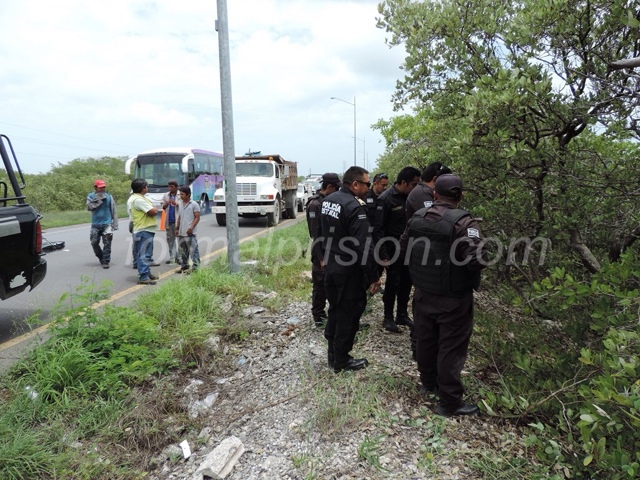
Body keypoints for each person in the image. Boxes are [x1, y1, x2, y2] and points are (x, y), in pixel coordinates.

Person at [400, 174, 486, 417]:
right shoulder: (464, 223)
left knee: (426, 339)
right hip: (453, 298)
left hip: (423, 293)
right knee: (451, 347)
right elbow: (476, 260)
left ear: (435, 193)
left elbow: (403, 249)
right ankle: (449, 402)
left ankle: (428, 382)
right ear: (461, 195)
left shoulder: (418, 217)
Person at [321, 166, 381, 372]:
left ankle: (332, 355)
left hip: (331, 266)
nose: (369, 187)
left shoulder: (329, 200)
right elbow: (364, 246)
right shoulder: (355, 207)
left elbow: (322, 234)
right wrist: (374, 276)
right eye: (367, 183)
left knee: (335, 310)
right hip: (348, 271)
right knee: (348, 314)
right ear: (355, 184)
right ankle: (341, 360)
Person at [373, 166, 421, 333]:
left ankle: (402, 314)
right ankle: (388, 317)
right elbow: (378, 229)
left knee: (406, 283)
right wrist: (383, 255)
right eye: (414, 184)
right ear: (403, 182)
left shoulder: (410, 198)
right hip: (392, 251)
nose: (416, 187)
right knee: (392, 284)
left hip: (408, 250)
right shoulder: (386, 199)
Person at [306, 172, 341, 327]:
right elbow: (315, 235)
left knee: (328, 283)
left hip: (330, 249)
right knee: (320, 285)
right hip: (320, 251)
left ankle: (327, 314)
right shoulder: (315, 205)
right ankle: (318, 315)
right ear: (329, 187)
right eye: (336, 188)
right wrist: (321, 258)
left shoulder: (327, 202)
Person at [127, 178, 159, 285]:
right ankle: (143, 276)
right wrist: (154, 208)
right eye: (146, 186)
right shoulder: (138, 200)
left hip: (144, 229)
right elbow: (153, 211)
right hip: (143, 229)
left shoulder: (138, 198)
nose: (147, 188)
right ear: (142, 188)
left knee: (147, 254)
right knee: (144, 254)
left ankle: (147, 273)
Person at [86, 179, 119, 269]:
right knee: (94, 242)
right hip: (95, 224)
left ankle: (106, 261)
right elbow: (89, 207)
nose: (102, 189)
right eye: (100, 187)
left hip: (107, 223)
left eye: (103, 187)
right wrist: (98, 200)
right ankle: (101, 256)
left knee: (107, 243)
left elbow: (113, 210)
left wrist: (114, 224)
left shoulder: (109, 197)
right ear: (95, 188)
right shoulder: (91, 196)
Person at [175, 185, 201, 274]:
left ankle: (196, 268)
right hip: (181, 232)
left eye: (182, 194)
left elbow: (197, 217)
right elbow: (179, 217)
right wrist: (177, 228)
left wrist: (191, 227)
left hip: (190, 232)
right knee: (183, 251)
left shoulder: (194, 204)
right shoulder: (180, 203)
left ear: (188, 195)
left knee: (193, 251)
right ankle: (184, 266)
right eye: (179, 194)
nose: (180, 196)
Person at [162, 180, 179, 263]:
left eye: (172, 186)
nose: (170, 188)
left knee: (180, 239)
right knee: (170, 239)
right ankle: (172, 257)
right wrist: (166, 204)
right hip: (169, 220)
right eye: (169, 186)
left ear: (176, 187)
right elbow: (163, 206)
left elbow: (184, 205)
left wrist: (176, 203)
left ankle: (180, 257)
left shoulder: (180, 194)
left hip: (178, 221)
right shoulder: (166, 195)